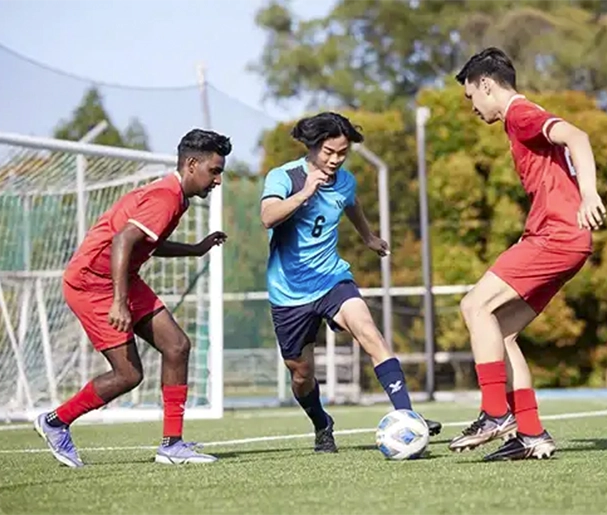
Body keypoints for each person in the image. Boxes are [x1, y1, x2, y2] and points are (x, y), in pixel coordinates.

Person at [34, 129, 232, 467]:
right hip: (91, 282)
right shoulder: (166, 197)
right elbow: (122, 241)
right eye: (214, 171)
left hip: (120, 277)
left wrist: (195, 249)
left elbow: (147, 241)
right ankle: (55, 422)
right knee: (128, 375)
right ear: (191, 164)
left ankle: (172, 445)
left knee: (177, 346)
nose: (218, 180)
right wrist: (119, 302)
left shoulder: (176, 197)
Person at [447, 48, 607, 460]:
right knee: (500, 332)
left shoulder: (519, 112)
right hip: (566, 240)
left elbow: (577, 136)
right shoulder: (520, 118)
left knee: (474, 306)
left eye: (471, 96)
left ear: (486, 85)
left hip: (556, 236)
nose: (472, 107)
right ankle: (531, 433)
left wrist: (589, 194)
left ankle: (495, 413)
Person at [260, 112, 442, 453]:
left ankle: (407, 415)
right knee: (301, 374)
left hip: (332, 278)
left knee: (369, 333)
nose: (335, 159)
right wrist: (304, 194)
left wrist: (368, 236)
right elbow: (268, 217)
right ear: (312, 146)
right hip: (289, 292)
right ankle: (322, 424)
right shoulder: (284, 176)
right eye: (329, 152)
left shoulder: (345, 181)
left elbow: (351, 203)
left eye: (342, 153)